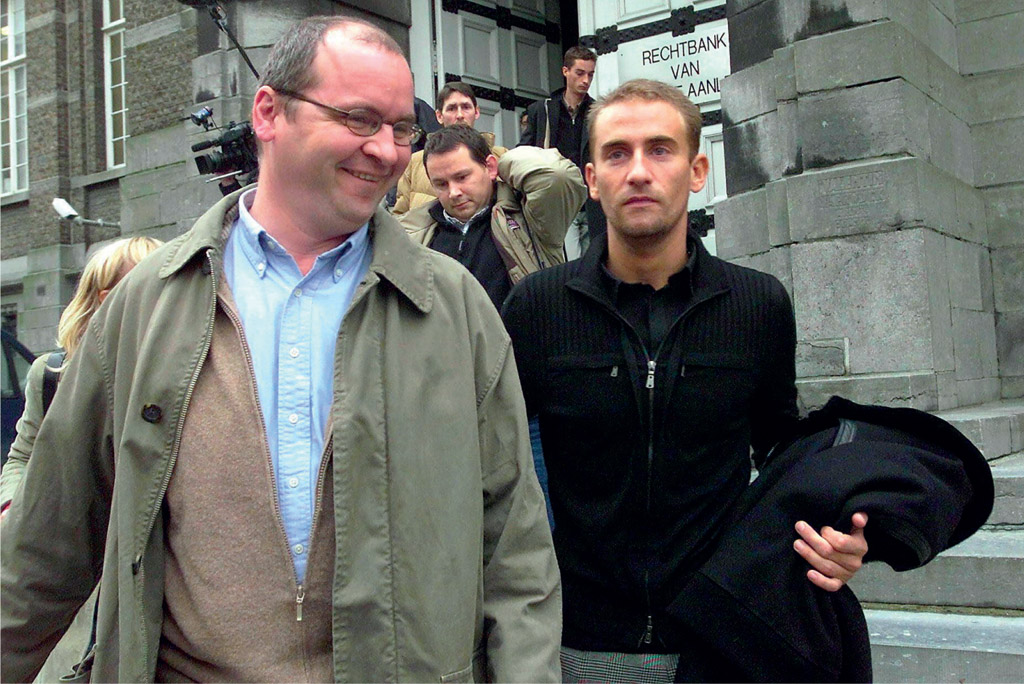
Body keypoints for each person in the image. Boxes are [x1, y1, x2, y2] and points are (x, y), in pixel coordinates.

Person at [1, 16, 560, 684]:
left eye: (400, 128)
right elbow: (44, 552)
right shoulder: (145, 305)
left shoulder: (456, 309)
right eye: (357, 119)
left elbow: (517, 555)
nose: (385, 151)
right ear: (268, 112)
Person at [501, 79, 867, 681]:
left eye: (660, 150)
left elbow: (781, 451)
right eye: (617, 153)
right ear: (591, 180)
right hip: (577, 640)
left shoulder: (757, 305)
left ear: (697, 170)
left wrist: (832, 536)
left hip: (718, 633)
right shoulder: (539, 308)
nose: (638, 171)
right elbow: (498, 467)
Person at [0, 236, 163, 516]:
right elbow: (24, 457)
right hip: (73, 547)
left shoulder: (188, 369)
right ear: (108, 300)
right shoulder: (52, 374)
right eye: (154, 289)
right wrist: (12, 508)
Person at [400, 124, 586, 310]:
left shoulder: (530, 219)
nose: (453, 192)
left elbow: (557, 175)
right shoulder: (413, 233)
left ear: (489, 166)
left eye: (462, 177)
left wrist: (503, 164)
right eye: (441, 184)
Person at [519, 46, 597, 259]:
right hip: (559, 200)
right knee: (568, 263)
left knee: (594, 264)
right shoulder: (541, 110)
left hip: (592, 201)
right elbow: (524, 152)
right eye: (579, 73)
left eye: (590, 74)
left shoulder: (599, 112)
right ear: (565, 71)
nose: (586, 80)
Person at [392, 81, 508, 215]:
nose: (459, 115)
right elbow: (401, 217)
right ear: (439, 116)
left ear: (476, 112)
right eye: (451, 108)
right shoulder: (414, 162)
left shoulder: (502, 156)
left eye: (466, 107)